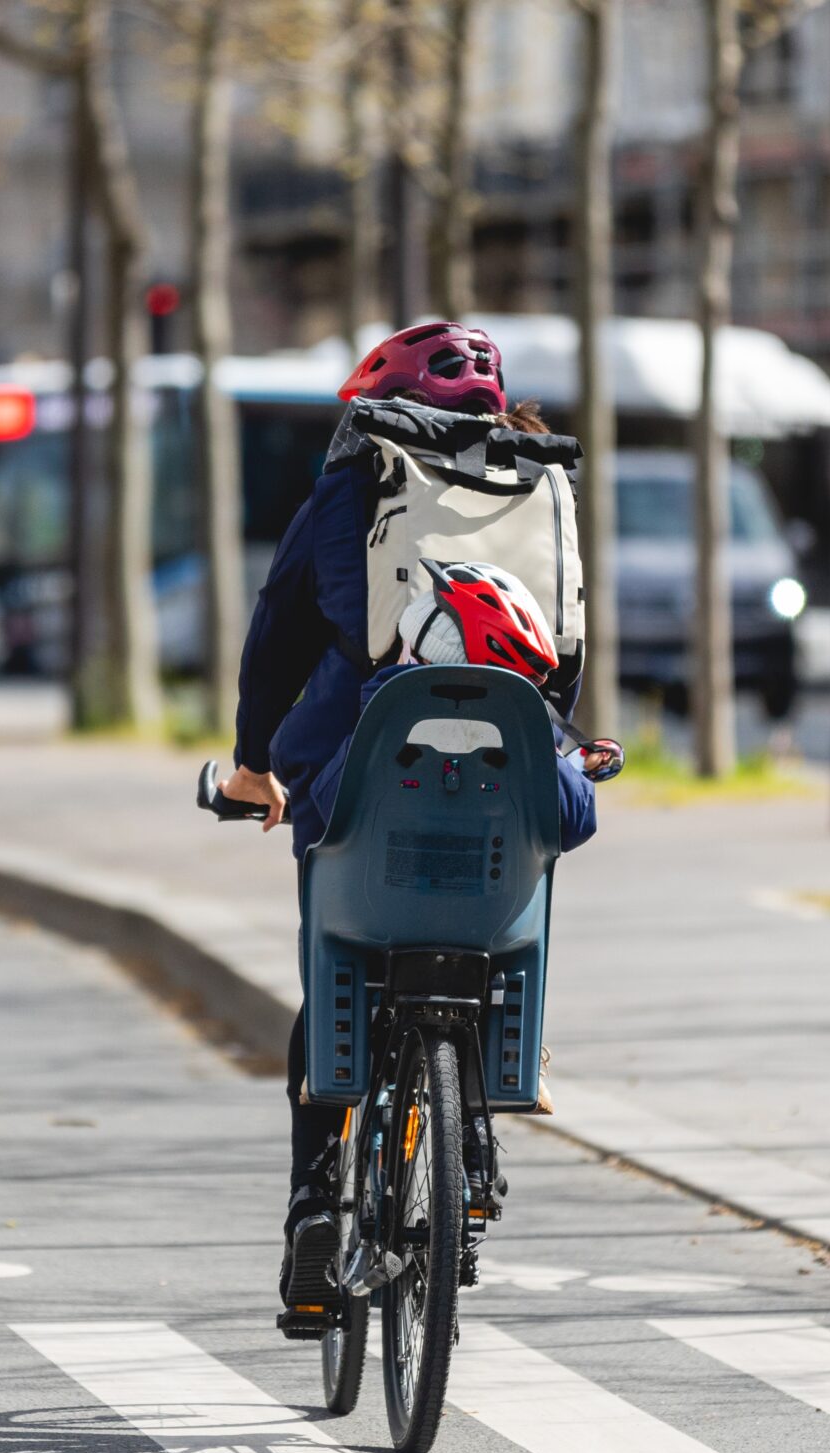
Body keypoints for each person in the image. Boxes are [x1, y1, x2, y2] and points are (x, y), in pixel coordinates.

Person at [216, 322, 618, 1333]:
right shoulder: (540, 481)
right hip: (512, 766)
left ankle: (317, 1201)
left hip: (362, 772)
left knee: (339, 964)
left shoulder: (351, 486)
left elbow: (277, 636)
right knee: (494, 923)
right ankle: (471, 1150)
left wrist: (256, 762)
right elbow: (564, 646)